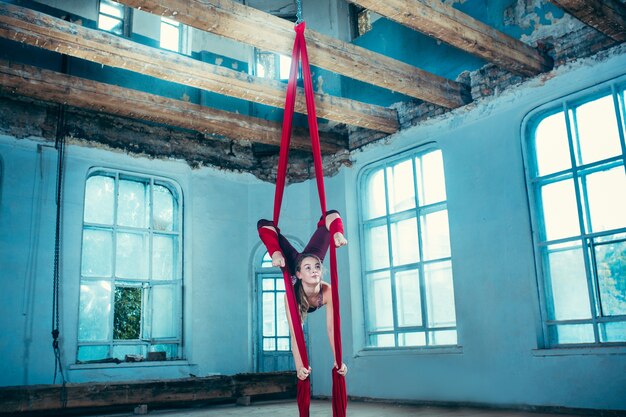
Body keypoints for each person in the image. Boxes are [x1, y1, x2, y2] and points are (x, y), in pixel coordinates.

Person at [257, 210, 348, 381]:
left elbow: (332, 329)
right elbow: (295, 333)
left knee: (331, 215)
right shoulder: (291, 295)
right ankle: (275, 252)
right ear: (299, 275)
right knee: (264, 224)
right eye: (309, 269)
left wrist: (338, 360)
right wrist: (300, 366)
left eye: (317, 268)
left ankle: (337, 233)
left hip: (309, 257)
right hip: (292, 264)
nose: (314, 270)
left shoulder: (327, 290)